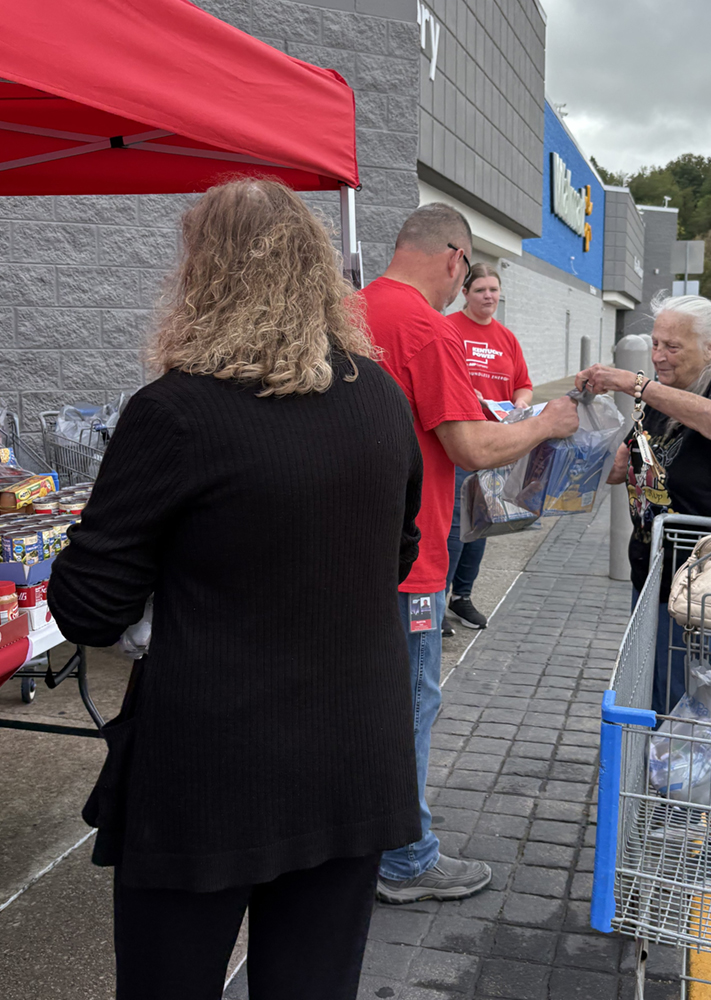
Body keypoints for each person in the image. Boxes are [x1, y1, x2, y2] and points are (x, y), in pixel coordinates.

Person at [46, 179, 423, 1000]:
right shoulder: (381, 399)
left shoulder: (176, 412)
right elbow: (396, 553)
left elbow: (87, 605)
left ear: (204, 277)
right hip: (355, 753)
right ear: (316, 271)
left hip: (213, 771)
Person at [359, 204, 579, 904]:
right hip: (412, 552)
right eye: (469, 273)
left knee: (369, 703)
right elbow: (469, 447)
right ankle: (404, 859)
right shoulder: (425, 327)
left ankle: (372, 832)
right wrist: (545, 423)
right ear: (455, 258)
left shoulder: (353, 307)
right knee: (411, 702)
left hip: (355, 545)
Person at [576, 294, 711, 715]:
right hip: (653, 569)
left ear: (710, 347)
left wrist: (631, 383)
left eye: (672, 347)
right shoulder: (661, 401)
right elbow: (618, 469)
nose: (658, 356)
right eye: (655, 343)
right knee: (653, 682)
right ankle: (660, 771)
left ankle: (681, 778)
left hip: (704, 580)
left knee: (693, 697)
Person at [443, 263, 533, 632]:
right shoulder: (448, 328)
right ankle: (438, 599)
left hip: (496, 444)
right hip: (460, 441)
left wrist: (523, 402)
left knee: (481, 525)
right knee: (453, 527)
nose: (489, 296)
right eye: (481, 289)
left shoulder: (506, 338)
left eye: (494, 290)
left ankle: (461, 597)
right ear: (465, 292)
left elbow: (523, 384)